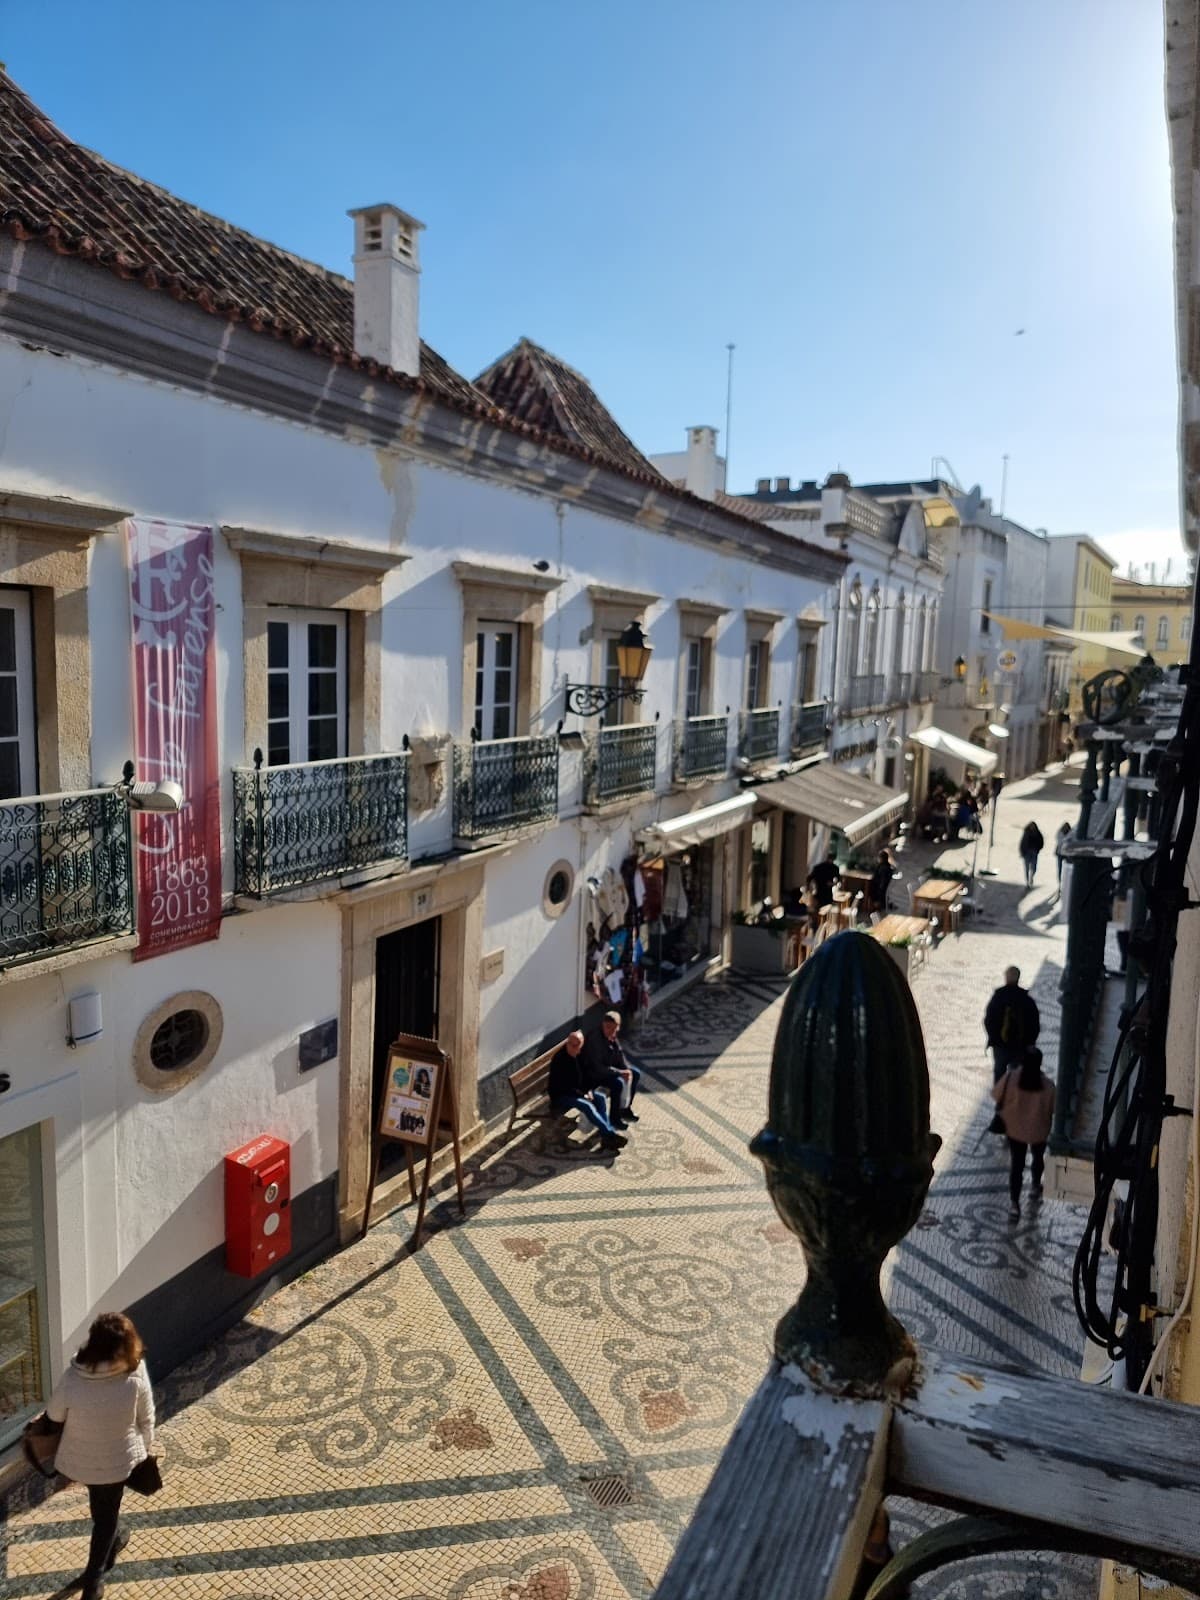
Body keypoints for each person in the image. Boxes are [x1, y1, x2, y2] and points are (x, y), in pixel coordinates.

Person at [45, 1311, 156, 1600]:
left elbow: (55, 1414)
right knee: (105, 1517)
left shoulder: (73, 1377)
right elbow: (147, 1418)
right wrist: (145, 1450)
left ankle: (114, 1539)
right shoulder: (135, 1373)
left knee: (103, 1506)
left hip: (82, 1460)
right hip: (119, 1460)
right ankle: (94, 1580)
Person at [992, 1047, 1056, 1220]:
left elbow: (996, 1094)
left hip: (1015, 1129)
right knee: (1037, 1157)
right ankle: (1035, 1186)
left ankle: (1014, 1205)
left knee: (1017, 1166)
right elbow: (1053, 1108)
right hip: (1039, 1129)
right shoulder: (1048, 1086)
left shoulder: (1011, 1078)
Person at [547, 1030, 627, 1151]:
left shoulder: (578, 1054)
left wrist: (588, 1090)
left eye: (579, 1046)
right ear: (568, 1044)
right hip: (561, 1095)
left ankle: (606, 1135)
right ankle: (609, 1135)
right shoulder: (560, 1060)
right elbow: (563, 1086)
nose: (577, 1050)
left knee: (599, 1098)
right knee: (587, 1106)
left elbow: (585, 1076)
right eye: (573, 1046)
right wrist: (583, 1094)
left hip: (577, 1091)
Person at [582, 1010, 643, 1127]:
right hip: (594, 1074)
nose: (610, 1031)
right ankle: (614, 1118)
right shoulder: (594, 1039)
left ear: (618, 1028)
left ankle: (625, 1109)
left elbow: (619, 1055)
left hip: (608, 1068)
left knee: (635, 1073)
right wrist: (620, 1073)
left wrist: (626, 1069)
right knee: (618, 1084)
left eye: (613, 1028)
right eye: (607, 1027)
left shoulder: (612, 1035)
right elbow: (597, 1067)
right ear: (603, 1024)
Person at [983, 966, 1040, 1084]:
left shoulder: (998, 997)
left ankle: (1000, 1100)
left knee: (999, 1074)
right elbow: (1034, 1024)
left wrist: (994, 1038)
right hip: (1020, 1046)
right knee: (1016, 1077)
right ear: (1018, 978)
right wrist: (1029, 1043)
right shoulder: (1026, 1000)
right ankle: (1013, 1099)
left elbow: (989, 1020)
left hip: (1000, 1045)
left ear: (1006, 978)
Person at [866, 849, 896, 918]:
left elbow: (881, 882)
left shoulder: (883, 868)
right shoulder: (887, 867)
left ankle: (870, 906)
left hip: (877, 890)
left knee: (866, 887)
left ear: (881, 858)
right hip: (881, 890)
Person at [1019, 820, 1045, 888]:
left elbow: (1041, 842)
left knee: (1034, 867)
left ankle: (1031, 877)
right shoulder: (1026, 833)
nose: (1032, 827)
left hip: (1034, 852)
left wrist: (1038, 849)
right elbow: (1022, 843)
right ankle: (1027, 882)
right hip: (1027, 852)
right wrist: (1022, 852)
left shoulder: (1038, 833)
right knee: (1027, 868)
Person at [1054, 821, 1071, 887]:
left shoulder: (1070, 833)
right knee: (1060, 868)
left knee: (1066, 868)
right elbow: (1060, 841)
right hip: (1061, 853)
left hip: (1065, 853)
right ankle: (1060, 881)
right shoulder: (1060, 833)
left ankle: (1064, 881)